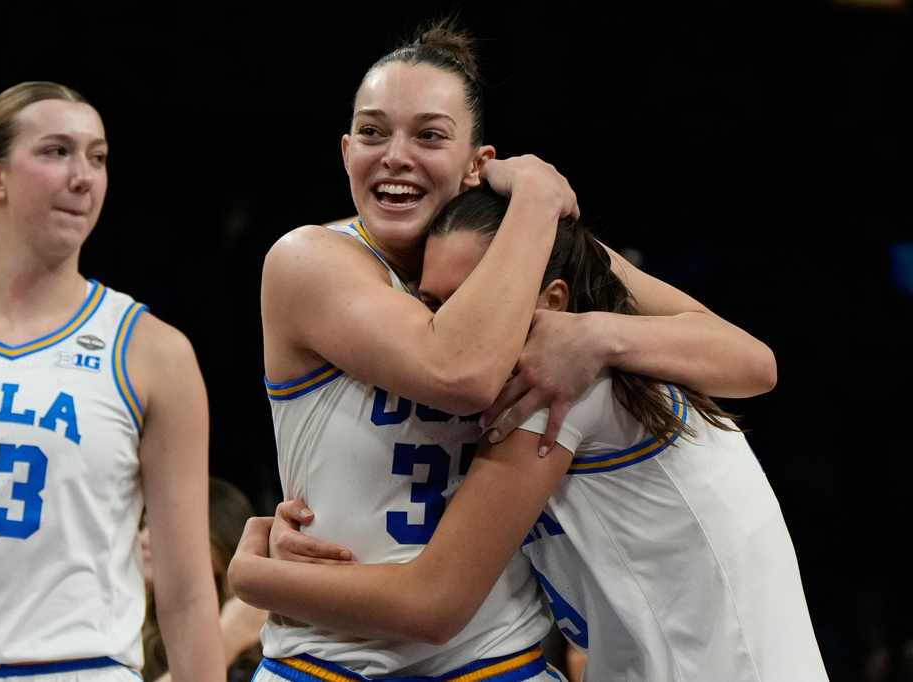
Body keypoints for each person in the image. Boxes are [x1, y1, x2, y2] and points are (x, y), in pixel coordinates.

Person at [252, 16, 776, 682]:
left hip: (501, 663)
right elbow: (459, 370)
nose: (395, 155)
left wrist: (595, 332)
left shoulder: (528, 249)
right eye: (372, 131)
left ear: (479, 165)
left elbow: (748, 362)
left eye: (429, 136)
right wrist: (535, 192)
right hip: (326, 663)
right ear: (346, 150)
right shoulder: (310, 259)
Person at [230, 187, 828, 681]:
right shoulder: (614, 350)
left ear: (550, 297)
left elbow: (431, 605)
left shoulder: (557, 384)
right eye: (431, 303)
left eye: (474, 299)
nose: (448, 325)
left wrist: (256, 578)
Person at [0, 82, 224, 681]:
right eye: (56, 152)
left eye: (97, 157)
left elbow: (189, 593)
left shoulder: (154, 352)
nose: (83, 176)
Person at [141, 477, 267, 682]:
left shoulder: (266, 643)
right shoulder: (131, 626)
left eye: (162, 528)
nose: (143, 540)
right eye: (145, 525)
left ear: (217, 545)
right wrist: (227, 639)